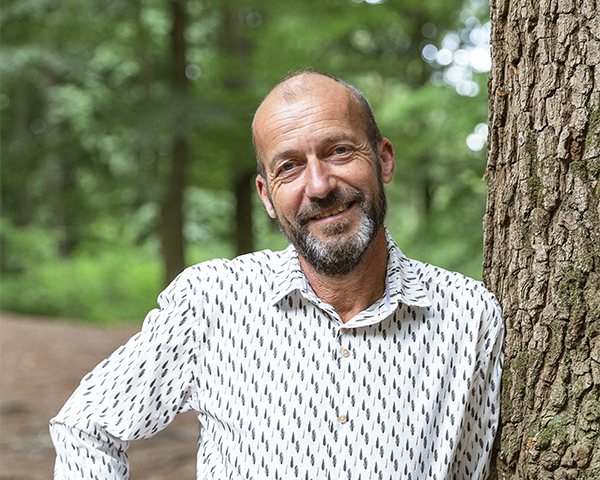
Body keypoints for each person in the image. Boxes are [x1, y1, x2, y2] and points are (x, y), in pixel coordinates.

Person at [50, 70, 504, 479]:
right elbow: (86, 427)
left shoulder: (469, 316)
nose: (320, 185)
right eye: (289, 167)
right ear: (267, 196)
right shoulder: (211, 301)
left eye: (339, 151)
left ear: (383, 160)